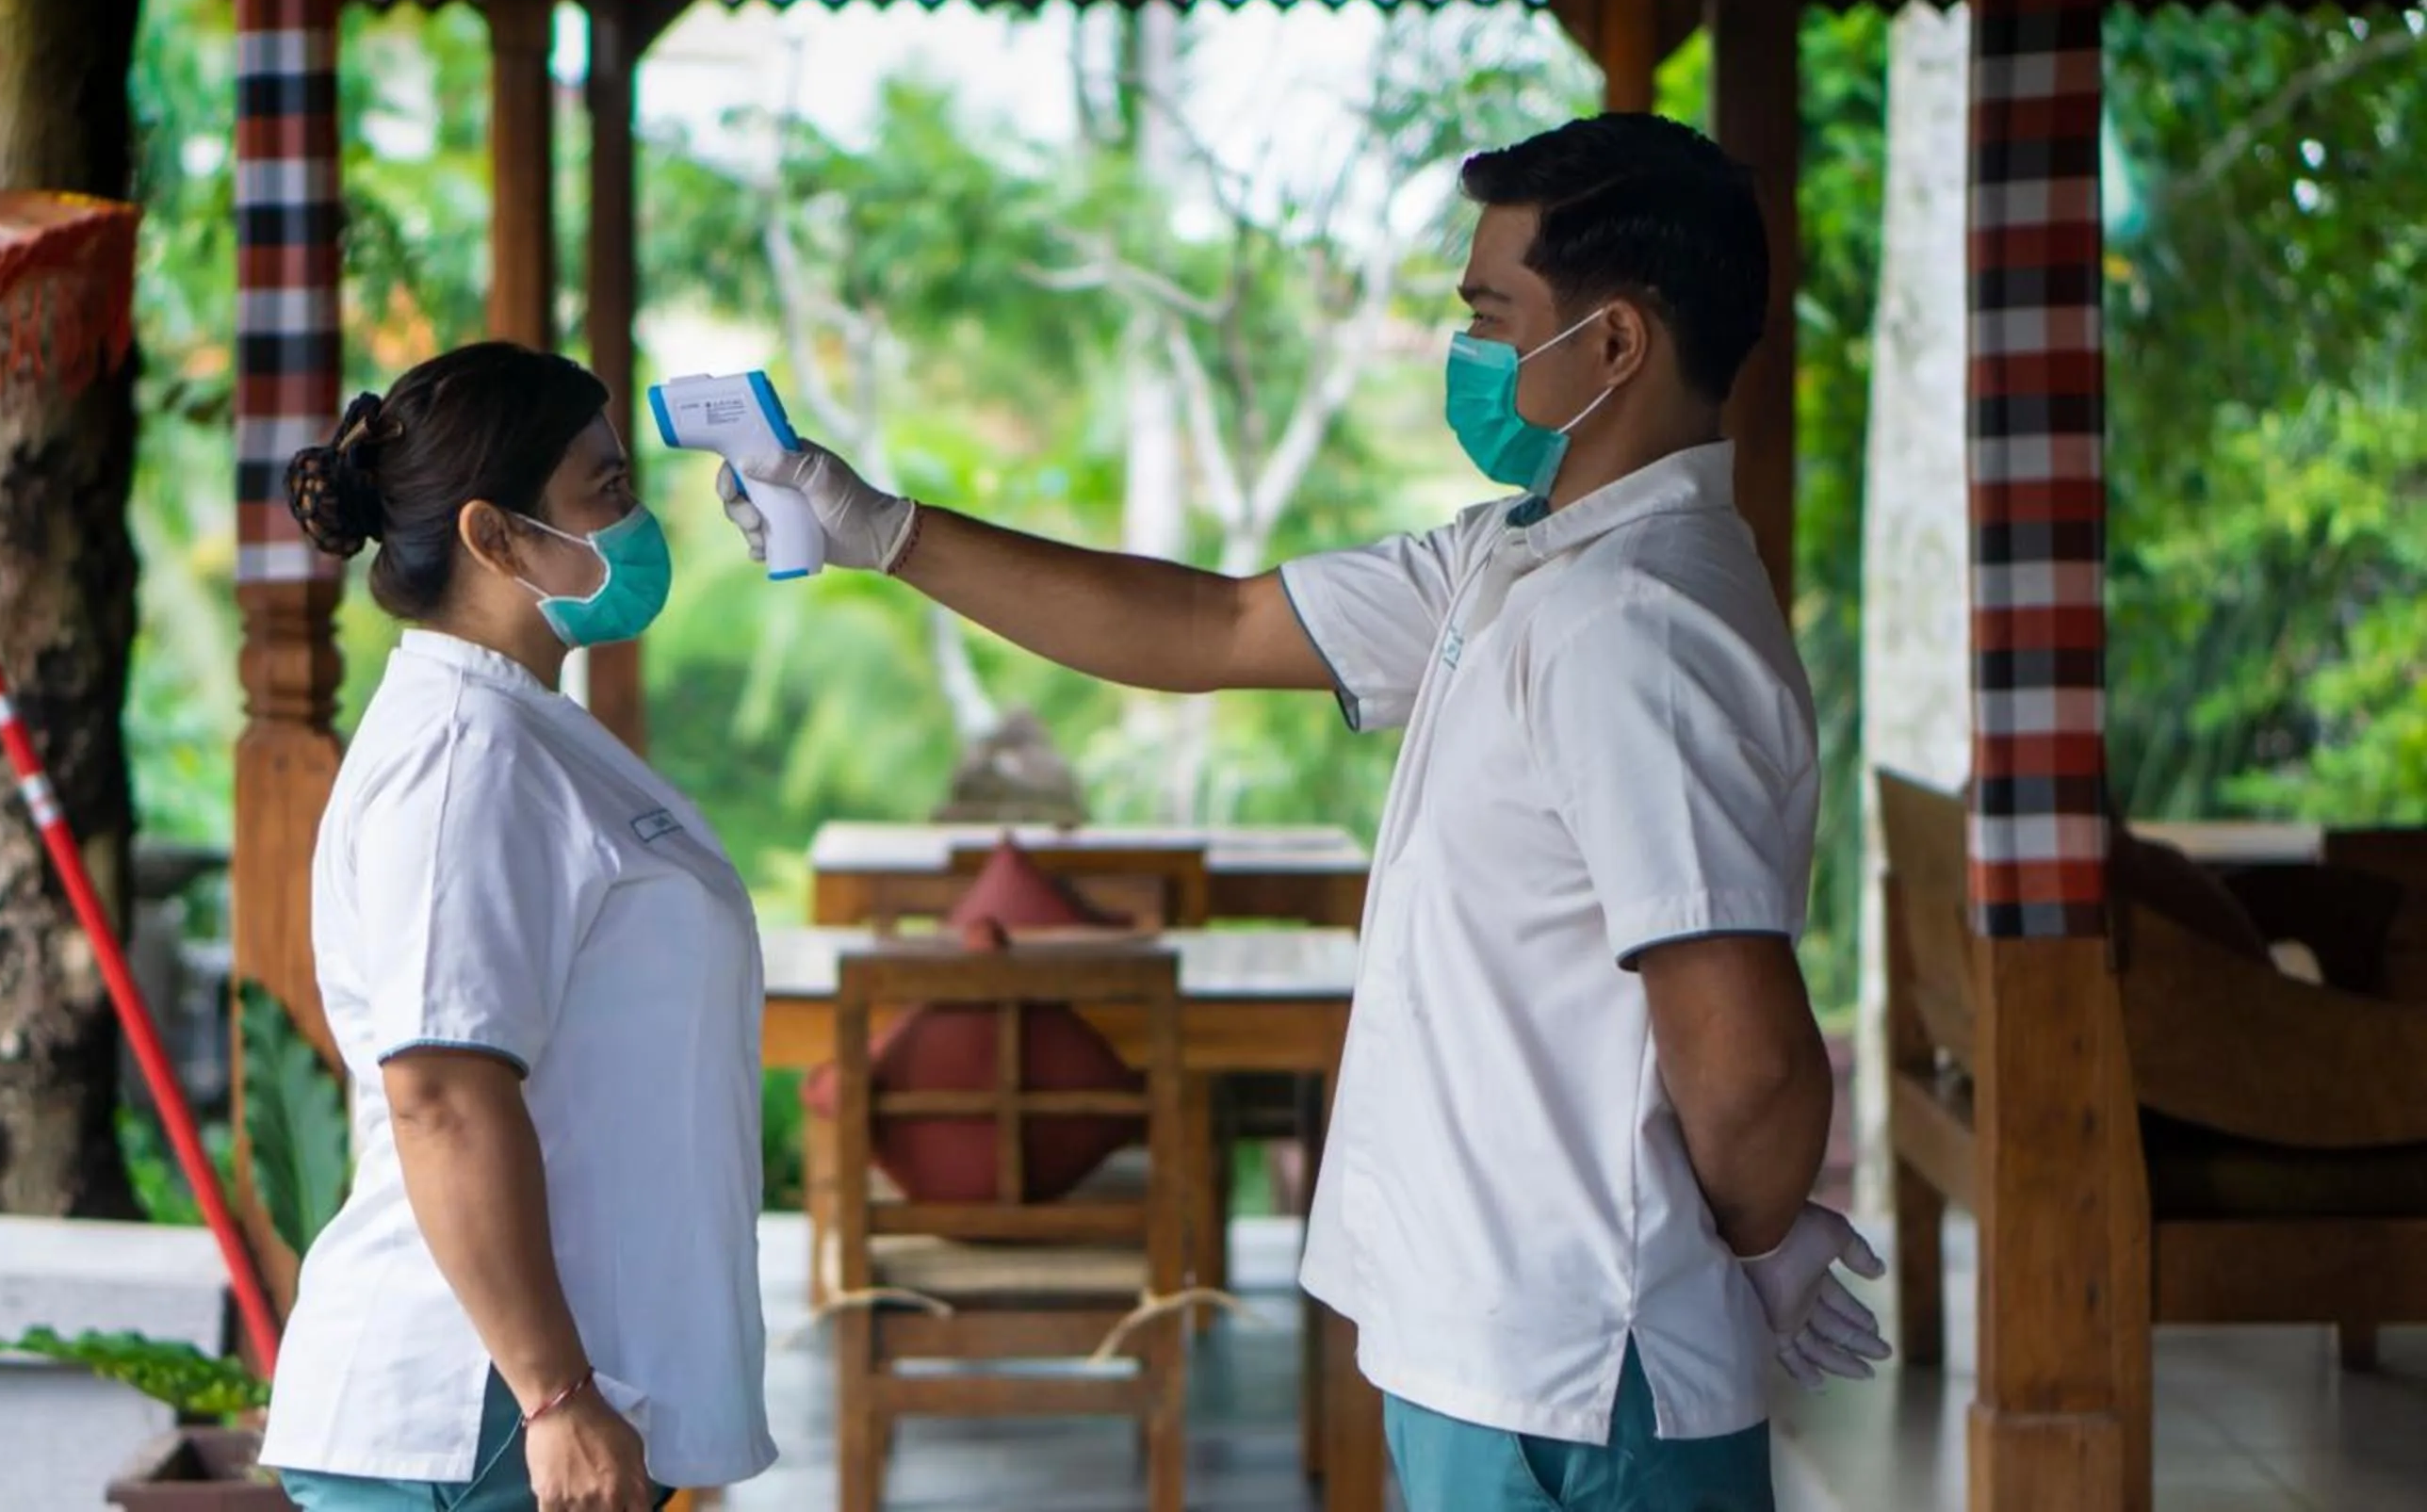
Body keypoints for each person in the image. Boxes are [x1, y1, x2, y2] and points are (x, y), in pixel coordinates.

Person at [714, 114, 1887, 1510]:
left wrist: (1754, 1246)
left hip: (1581, 1375)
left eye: (1490, 315)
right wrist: (883, 530)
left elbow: (1745, 1060)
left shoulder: (1636, 625)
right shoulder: (1515, 564)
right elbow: (1208, 626)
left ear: (1616, 345)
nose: (1468, 350)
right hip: (1501, 1356)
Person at [259, 342, 776, 1512]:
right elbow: (439, 1089)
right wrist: (552, 1396)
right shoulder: (460, 757)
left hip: (541, 1391)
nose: (638, 520)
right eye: (606, 490)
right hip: (481, 1406)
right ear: (494, 537)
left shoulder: (519, 727)